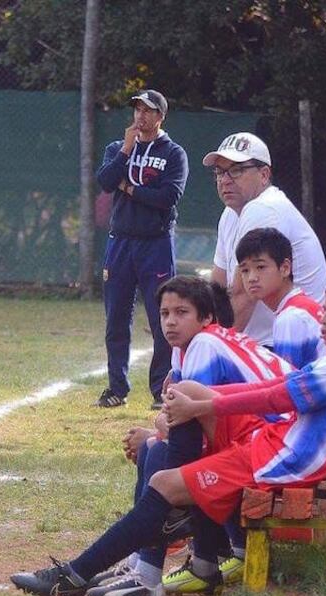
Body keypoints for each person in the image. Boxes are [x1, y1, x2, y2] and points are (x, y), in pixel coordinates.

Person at [10, 276, 326, 596]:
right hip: (272, 443)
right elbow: (272, 388)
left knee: (163, 480)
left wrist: (205, 405)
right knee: (184, 398)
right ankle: (178, 534)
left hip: (279, 463)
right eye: (324, 310)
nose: (323, 318)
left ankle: (85, 575)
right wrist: (202, 403)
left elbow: (274, 398)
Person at [96, 276, 293, 596]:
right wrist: (159, 428)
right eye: (164, 313)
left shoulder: (204, 345)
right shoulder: (188, 347)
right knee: (158, 448)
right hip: (262, 439)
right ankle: (160, 562)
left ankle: (149, 572)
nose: (170, 322)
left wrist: (155, 430)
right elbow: (186, 421)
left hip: (276, 446)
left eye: (181, 312)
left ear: (206, 318)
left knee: (159, 452)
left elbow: (186, 425)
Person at [94, 90, 189, 409]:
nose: (140, 116)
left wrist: (130, 188)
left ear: (160, 116)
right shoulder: (117, 148)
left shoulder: (173, 153)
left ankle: (161, 389)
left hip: (156, 244)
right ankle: (116, 388)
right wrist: (125, 150)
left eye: (148, 110)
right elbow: (105, 181)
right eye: (137, 109)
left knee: (163, 318)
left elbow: (168, 197)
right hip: (120, 242)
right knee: (116, 319)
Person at [208, 132, 326, 346]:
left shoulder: (263, 208)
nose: (225, 180)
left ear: (264, 175)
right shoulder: (230, 214)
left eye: (236, 170)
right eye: (219, 172)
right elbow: (217, 288)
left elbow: (242, 296)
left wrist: (210, 345)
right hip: (270, 340)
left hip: (293, 343)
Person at [235, 228, 326, 369]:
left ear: (285, 268)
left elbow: (286, 378)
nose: (251, 278)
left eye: (260, 267)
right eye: (245, 270)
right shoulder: (301, 307)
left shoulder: (290, 317)